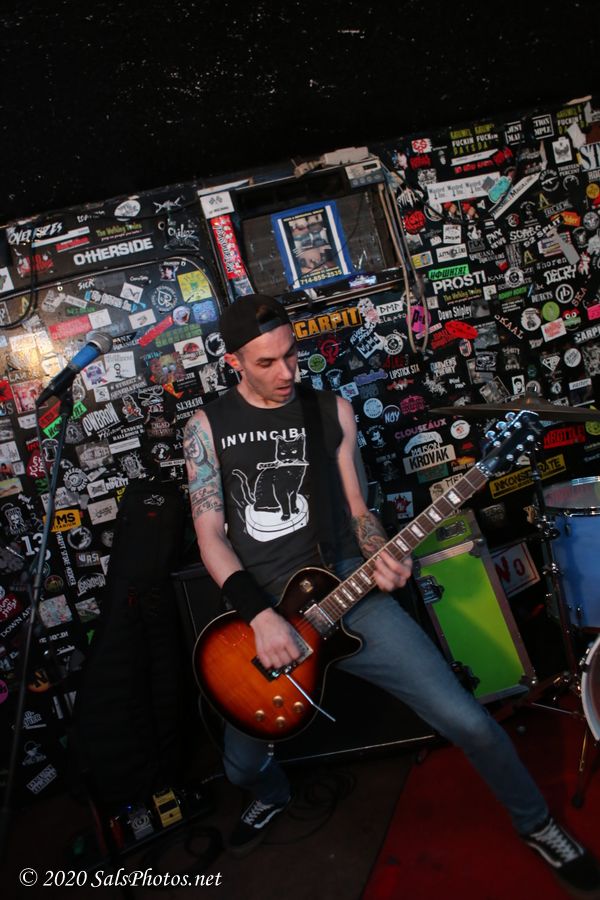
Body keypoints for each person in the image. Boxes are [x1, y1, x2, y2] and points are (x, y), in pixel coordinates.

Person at [183, 293, 599, 892]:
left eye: (291, 355)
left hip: (345, 592)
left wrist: (380, 551)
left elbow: (358, 509)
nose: (285, 372)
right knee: (240, 765)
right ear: (233, 363)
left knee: (468, 721)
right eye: (266, 363)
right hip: (263, 616)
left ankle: (536, 823)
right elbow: (210, 536)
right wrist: (261, 616)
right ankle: (272, 794)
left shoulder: (330, 410)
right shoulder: (206, 429)